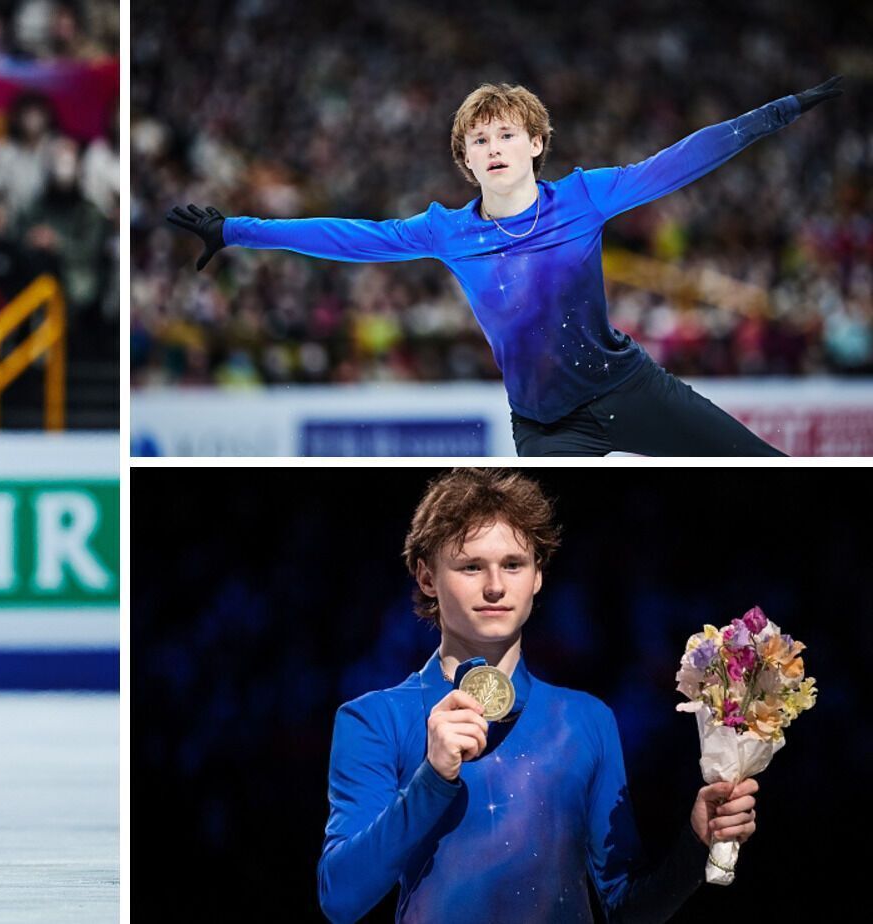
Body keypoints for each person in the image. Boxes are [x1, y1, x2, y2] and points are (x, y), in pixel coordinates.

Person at [169, 78, 846, 456]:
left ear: (536, 143)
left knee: (762, 464)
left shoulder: (586, 196)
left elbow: (680, 160)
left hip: (629, 389)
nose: (493, 148)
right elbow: (348, 236)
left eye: (506, 135)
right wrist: (235, 230)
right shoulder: (446, 231)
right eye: (479, 140)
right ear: (466, 160)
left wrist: (778, 113)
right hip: (546, 427)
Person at [318, 469, 760, 923]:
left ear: (537, 577)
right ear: (427, 577)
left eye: (513, 564)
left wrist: (694, 843)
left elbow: (626, 908)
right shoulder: (374, 719)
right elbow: (341, 899)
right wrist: (431, 778)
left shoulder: (587, 720)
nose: (495, 585)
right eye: (471, 566)